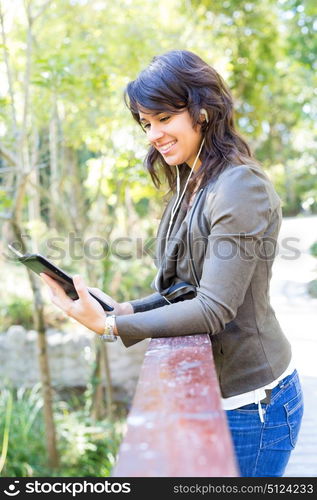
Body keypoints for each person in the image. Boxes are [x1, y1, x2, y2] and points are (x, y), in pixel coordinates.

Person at [41, 49, 304, 477]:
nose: (153, 134)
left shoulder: (240, 185)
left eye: (164, 118)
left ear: (202, 109)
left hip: (252, 407)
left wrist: (110, 327)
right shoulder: (194, 178)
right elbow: (181, 289)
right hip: (219, 402)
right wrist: (124, 310)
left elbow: (214, 307)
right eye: (146, 123)